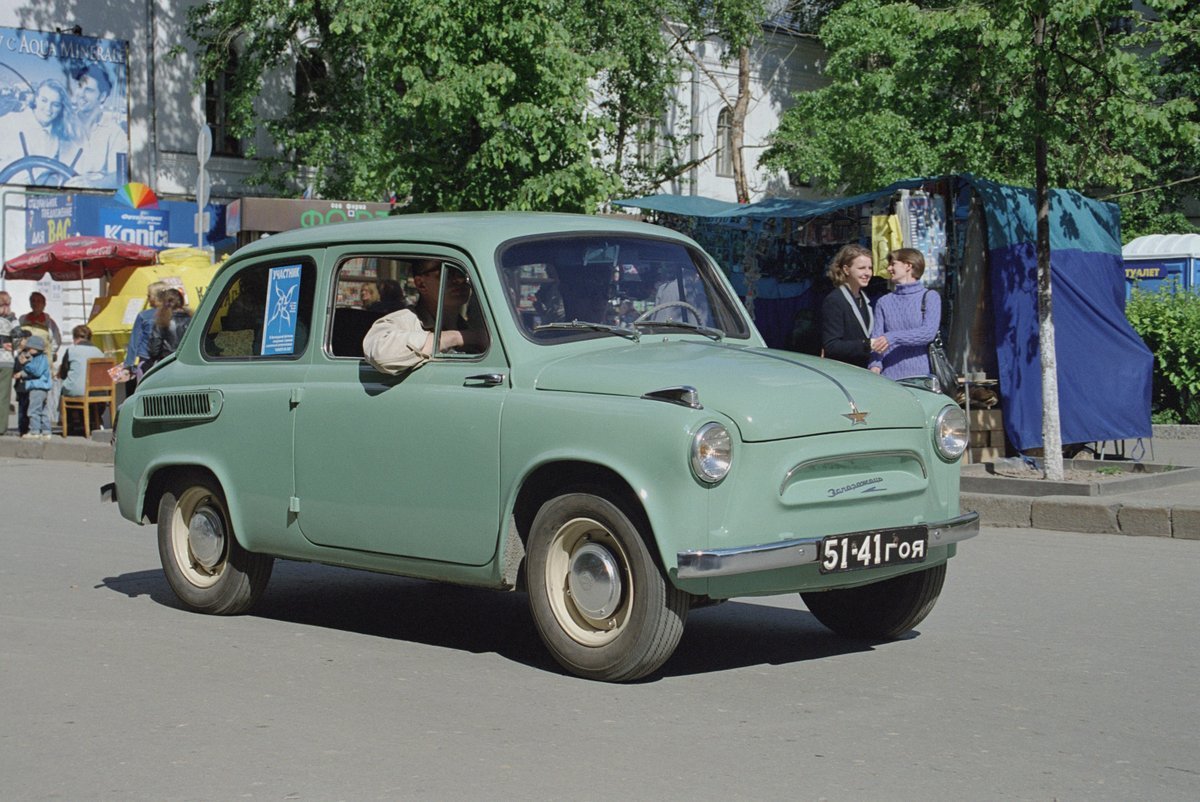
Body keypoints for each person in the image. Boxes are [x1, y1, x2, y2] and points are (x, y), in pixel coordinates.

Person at [363, 259, 486, 374]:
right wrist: (457, 337)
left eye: (463, 273)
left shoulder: (469, 327)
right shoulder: (404, 321)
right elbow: (381, 354)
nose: (460, 280)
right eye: (447, 271)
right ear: (421, 284)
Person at [867, 248, 941, 380]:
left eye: (893, 264)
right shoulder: (883, 302)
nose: (889, 269)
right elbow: (876, 339)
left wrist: (892, 337)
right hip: (889, 379)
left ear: (908, 265)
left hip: (921, 377)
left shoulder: (930, 297)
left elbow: (928, 333)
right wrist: (875, 364)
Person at [819, 244, 888, 367]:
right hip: (844, 371)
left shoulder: (865, 299)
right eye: (861, 268)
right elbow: (832, 346)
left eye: (870, 268)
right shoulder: (835, 300)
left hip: (865, 369)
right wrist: (867, 345)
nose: (867, 273)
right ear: (846, 270)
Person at [65, 64, 127, 188]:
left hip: (94, 200)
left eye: (88, 90)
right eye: (79, 87)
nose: (81, 94)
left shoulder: (115, 133)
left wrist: (92, 184)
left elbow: (121, 176)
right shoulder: (63, 126)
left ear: (102, 97)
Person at [17, 292, 61, 435]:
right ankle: (24, 427)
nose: (35, 303)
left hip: (42, 365)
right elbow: (17, 338)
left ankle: (38, 428)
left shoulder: (49, 322)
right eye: (33, 301)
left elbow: (56, 341)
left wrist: (49, 355)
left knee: (39, 399)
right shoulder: (23, 319)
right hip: (25, 361)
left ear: (44, 304)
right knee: (23, 396)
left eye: (38, 301)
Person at [58, 324, 108, 433]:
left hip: (79, 391)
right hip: (98, 391)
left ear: (75, 338)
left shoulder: (71, 350)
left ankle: (71, 423)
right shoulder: (99, 352)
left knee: (65, 389)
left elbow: (63, 374)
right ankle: (94, 420)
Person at [123, 281, 168, 384]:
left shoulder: (144, 316)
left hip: (146, 360)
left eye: (148, 295)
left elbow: (134, 341)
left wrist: (129, 364)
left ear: (154, 297)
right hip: (168, 360)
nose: (147, 298)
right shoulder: (175, 315)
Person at [15, 335, 52, 439]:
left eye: (30, 348)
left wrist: (25, 363)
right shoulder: (38, 358)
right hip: (41, 387)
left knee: (33, 410)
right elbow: (31, 371)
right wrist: (21, 374)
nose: (28, 350)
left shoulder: (39, 358)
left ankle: (34, 431)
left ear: (36, 348)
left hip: (37, 388)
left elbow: (36, 372)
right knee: (43, 411)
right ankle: (46, 431)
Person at [145, 288, 192, 367]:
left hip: (168, 362)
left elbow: (154, 350)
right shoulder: (193, 319)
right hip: (189, 361)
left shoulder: (162, 322)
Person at [0, 291, 17, 434]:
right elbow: (19, 338)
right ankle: (1, 427)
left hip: (5, 360)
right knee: (3, 396)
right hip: (6, 361)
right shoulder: (12, 319)